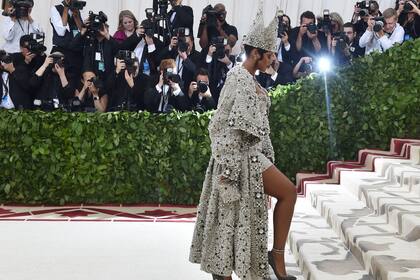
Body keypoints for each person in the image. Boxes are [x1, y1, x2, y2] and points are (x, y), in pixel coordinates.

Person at [189, 4, 297, 280]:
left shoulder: (251, 79)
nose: (273, 58)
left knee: (283, 195)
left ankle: (276, 257)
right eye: (269, 54)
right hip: (234, 161)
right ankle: (234, 270)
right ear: (256, 53)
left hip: (252, 158)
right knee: (229, 220)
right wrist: (227, 173)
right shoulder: (238, 78)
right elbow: (219, 125)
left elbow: (259, 128)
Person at [50, 0, 84, 78]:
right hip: (62, 51)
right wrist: (66, 8)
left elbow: (82, 32)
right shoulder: (56, 9)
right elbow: (61, 31)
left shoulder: (76, 11)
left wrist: (76, 16)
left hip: (75, 53)